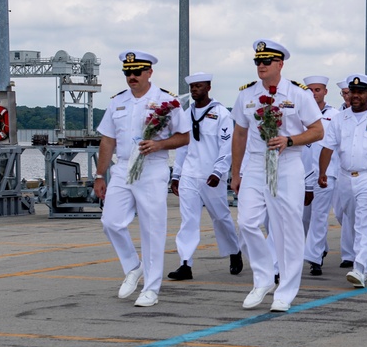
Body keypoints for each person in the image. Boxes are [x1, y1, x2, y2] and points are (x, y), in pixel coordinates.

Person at [231, 39, 324, 312]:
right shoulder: (246, 94)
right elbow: (239, 134)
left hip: (288, 162)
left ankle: (286, 290)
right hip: (257, 163)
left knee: (288, 228)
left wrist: (290, 140)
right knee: (247, 223)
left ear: (280, 64)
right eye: (257, 62)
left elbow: (318, 130)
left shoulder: (298, 94)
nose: (261, 66)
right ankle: (263, 278)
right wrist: (235, 173)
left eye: (266, 61)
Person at [94, 50, 190, 307]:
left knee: (152, 229)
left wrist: (160, 145)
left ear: (149, 72)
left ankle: (151, 288)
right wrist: (99, 174)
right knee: (111, 222)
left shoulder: (166, 101)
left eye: (137, 72)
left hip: (152, 166)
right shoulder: (117, 101)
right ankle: (134, 266)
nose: (132, 77)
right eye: (128, 72)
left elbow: (184, 136)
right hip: (123, 167)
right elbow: (108, 139)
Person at [318, 74, 367, 288]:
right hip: (345, 176)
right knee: (350, 220)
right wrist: (322, 172)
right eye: (352, 92)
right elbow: (328, 147)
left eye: (360, 92)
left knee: (363, 222)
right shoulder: (339, 119)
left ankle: (360, 268)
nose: (355, 96)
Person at [168, 72, 243, 281]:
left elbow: (226, 146)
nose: (194, 91)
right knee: (188, 220)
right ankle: (185, 263)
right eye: (192, 87)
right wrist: (177, 174)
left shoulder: (221, 114)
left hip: (211, 176)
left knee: (221, 217)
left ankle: (234, 251)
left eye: (198, 86)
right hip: (190, 175)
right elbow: (182, 146)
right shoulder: (185, 114)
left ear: (208, 87)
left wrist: (219, 171)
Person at [300, 75, 341, 276]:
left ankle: (315, 259)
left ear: (325, 91)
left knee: (319, 215)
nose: (314, 94)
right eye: (310, 90)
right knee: (304, 217)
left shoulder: (335, 114)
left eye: (318, 90)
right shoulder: (299, 113)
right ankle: (320, 247)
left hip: (327, 172)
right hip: (301, 173)